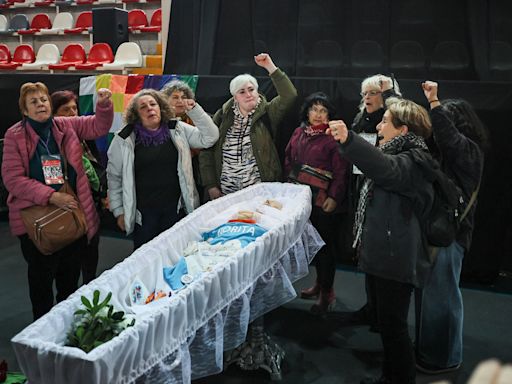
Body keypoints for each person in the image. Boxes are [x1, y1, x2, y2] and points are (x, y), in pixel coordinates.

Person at [328, 98, 435, 384]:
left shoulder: (413, 160)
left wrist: (349, 139)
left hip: (396, 257)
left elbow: (386, 169)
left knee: (394, 327)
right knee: (389, 325)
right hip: (387, 254)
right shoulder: (402, 154)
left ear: (403, 130)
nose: (378, 125)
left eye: (386, 120)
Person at [1, 82, 113, 320]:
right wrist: (51, 196)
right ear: (24, 110)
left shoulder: (66, 124)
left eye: (43, 99)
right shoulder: (14, 135)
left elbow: (99, 126)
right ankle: (42, 327)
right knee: (41, 281)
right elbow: (12, 180)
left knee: (69, 278)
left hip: (72, 213)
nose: (40, 104)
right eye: (34, 102)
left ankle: (66, 323)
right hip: (36, 220)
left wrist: (104, 105)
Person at [415, 81, 488, 374]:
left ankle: (441, 358)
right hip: (440, 232)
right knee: (431, 295)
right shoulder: (455, 155)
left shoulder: (469, 150)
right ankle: (428, 350)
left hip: (451, 235)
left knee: (442, 297)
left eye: (446, 118)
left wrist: (434, 103)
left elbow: (448, 138)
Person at [107, 89, 219, 249]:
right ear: (136, 114)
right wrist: (119, 211)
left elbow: (210, 138)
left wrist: (194, 110)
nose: (149, 108)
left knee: (177, 256)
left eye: (153, 104)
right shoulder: (124, 138)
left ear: (161, 107)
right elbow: (114, 177)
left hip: (176, 209)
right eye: (143, 107)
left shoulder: (177, 128)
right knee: (145, 261)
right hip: (143, 214)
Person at [339, 74, 402, 330]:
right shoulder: (359, 118)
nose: (366, 98)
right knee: (365, 251)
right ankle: (371, 307)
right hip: (361, 187)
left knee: (379, 256)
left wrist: (389, 94)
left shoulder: (395, 123)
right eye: (364, 93)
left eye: (373, 93)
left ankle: (382, 314)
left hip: (382, 194)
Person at [284, 92, 349, 314]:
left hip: (323, 201)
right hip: (300, 199)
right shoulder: (299, 132)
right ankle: (319, 285)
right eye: (314, 109)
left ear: (329, 114)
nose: (318, 114)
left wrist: (334, 197)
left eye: (323, 110)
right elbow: (288, 160)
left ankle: (327, 293)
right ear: (307, 112)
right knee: (310, 246)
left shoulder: (333, 136)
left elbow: (341, 170)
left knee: (324, 248)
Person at [199, 53, 297, 199]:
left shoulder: (268, 112)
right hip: (226, 193)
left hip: (260, 193)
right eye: (242, 92)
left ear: (257, 92)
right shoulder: (222, 116)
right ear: (235, 97)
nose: (248, 94)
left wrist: (270, 67)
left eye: (251, 90)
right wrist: (211, 185)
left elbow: (290, 95)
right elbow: (206, 151)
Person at [51, 90, 106, 284]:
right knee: (69, 266)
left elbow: (97, 164)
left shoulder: (85, 135)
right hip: (69, 207)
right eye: (66, 110)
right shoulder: (51, 141)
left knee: (91, 254)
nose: (72, 113)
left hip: (91, 204)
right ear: (54, 114)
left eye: (75, 108)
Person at [161, 79, 204, 202]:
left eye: (183, 97)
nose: (180, 101)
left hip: (194, 174)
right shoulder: (159, 122)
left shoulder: (197, 118)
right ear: (165, 100)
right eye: (175, 97)